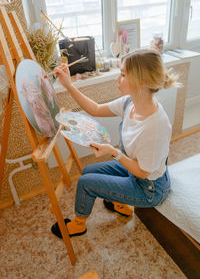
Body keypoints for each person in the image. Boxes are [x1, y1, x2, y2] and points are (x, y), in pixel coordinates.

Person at [51, 49, 179, 238]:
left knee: (86, 182)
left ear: (141, 82)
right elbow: (95, 109)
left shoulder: (156, 127)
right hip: (134, 170)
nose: (117, 79)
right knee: (87, 172)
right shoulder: (130, 103)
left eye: (123, 74)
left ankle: (79, 225)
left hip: (149, 188)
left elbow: (143, 172)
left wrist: (113, 152)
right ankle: (121, 204)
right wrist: (68, 85)